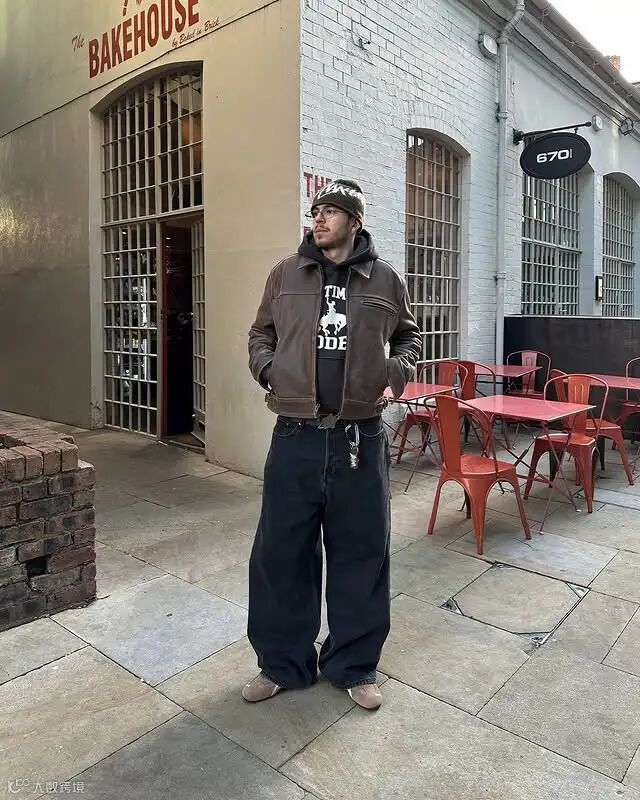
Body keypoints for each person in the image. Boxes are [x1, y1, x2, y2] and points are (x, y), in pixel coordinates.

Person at [245, 179, 421, 709]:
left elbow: (409, 336)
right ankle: (282, 664)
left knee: (361, 554)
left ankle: (354, 665)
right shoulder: (286, 273)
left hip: (359, 437)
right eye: (315, 210)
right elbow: (260, 333)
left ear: (355, 221)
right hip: (294, 435)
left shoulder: (385, 278)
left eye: (330, 211)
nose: (318, 218)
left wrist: (394, 371)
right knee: (281, 554)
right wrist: (269, 370)